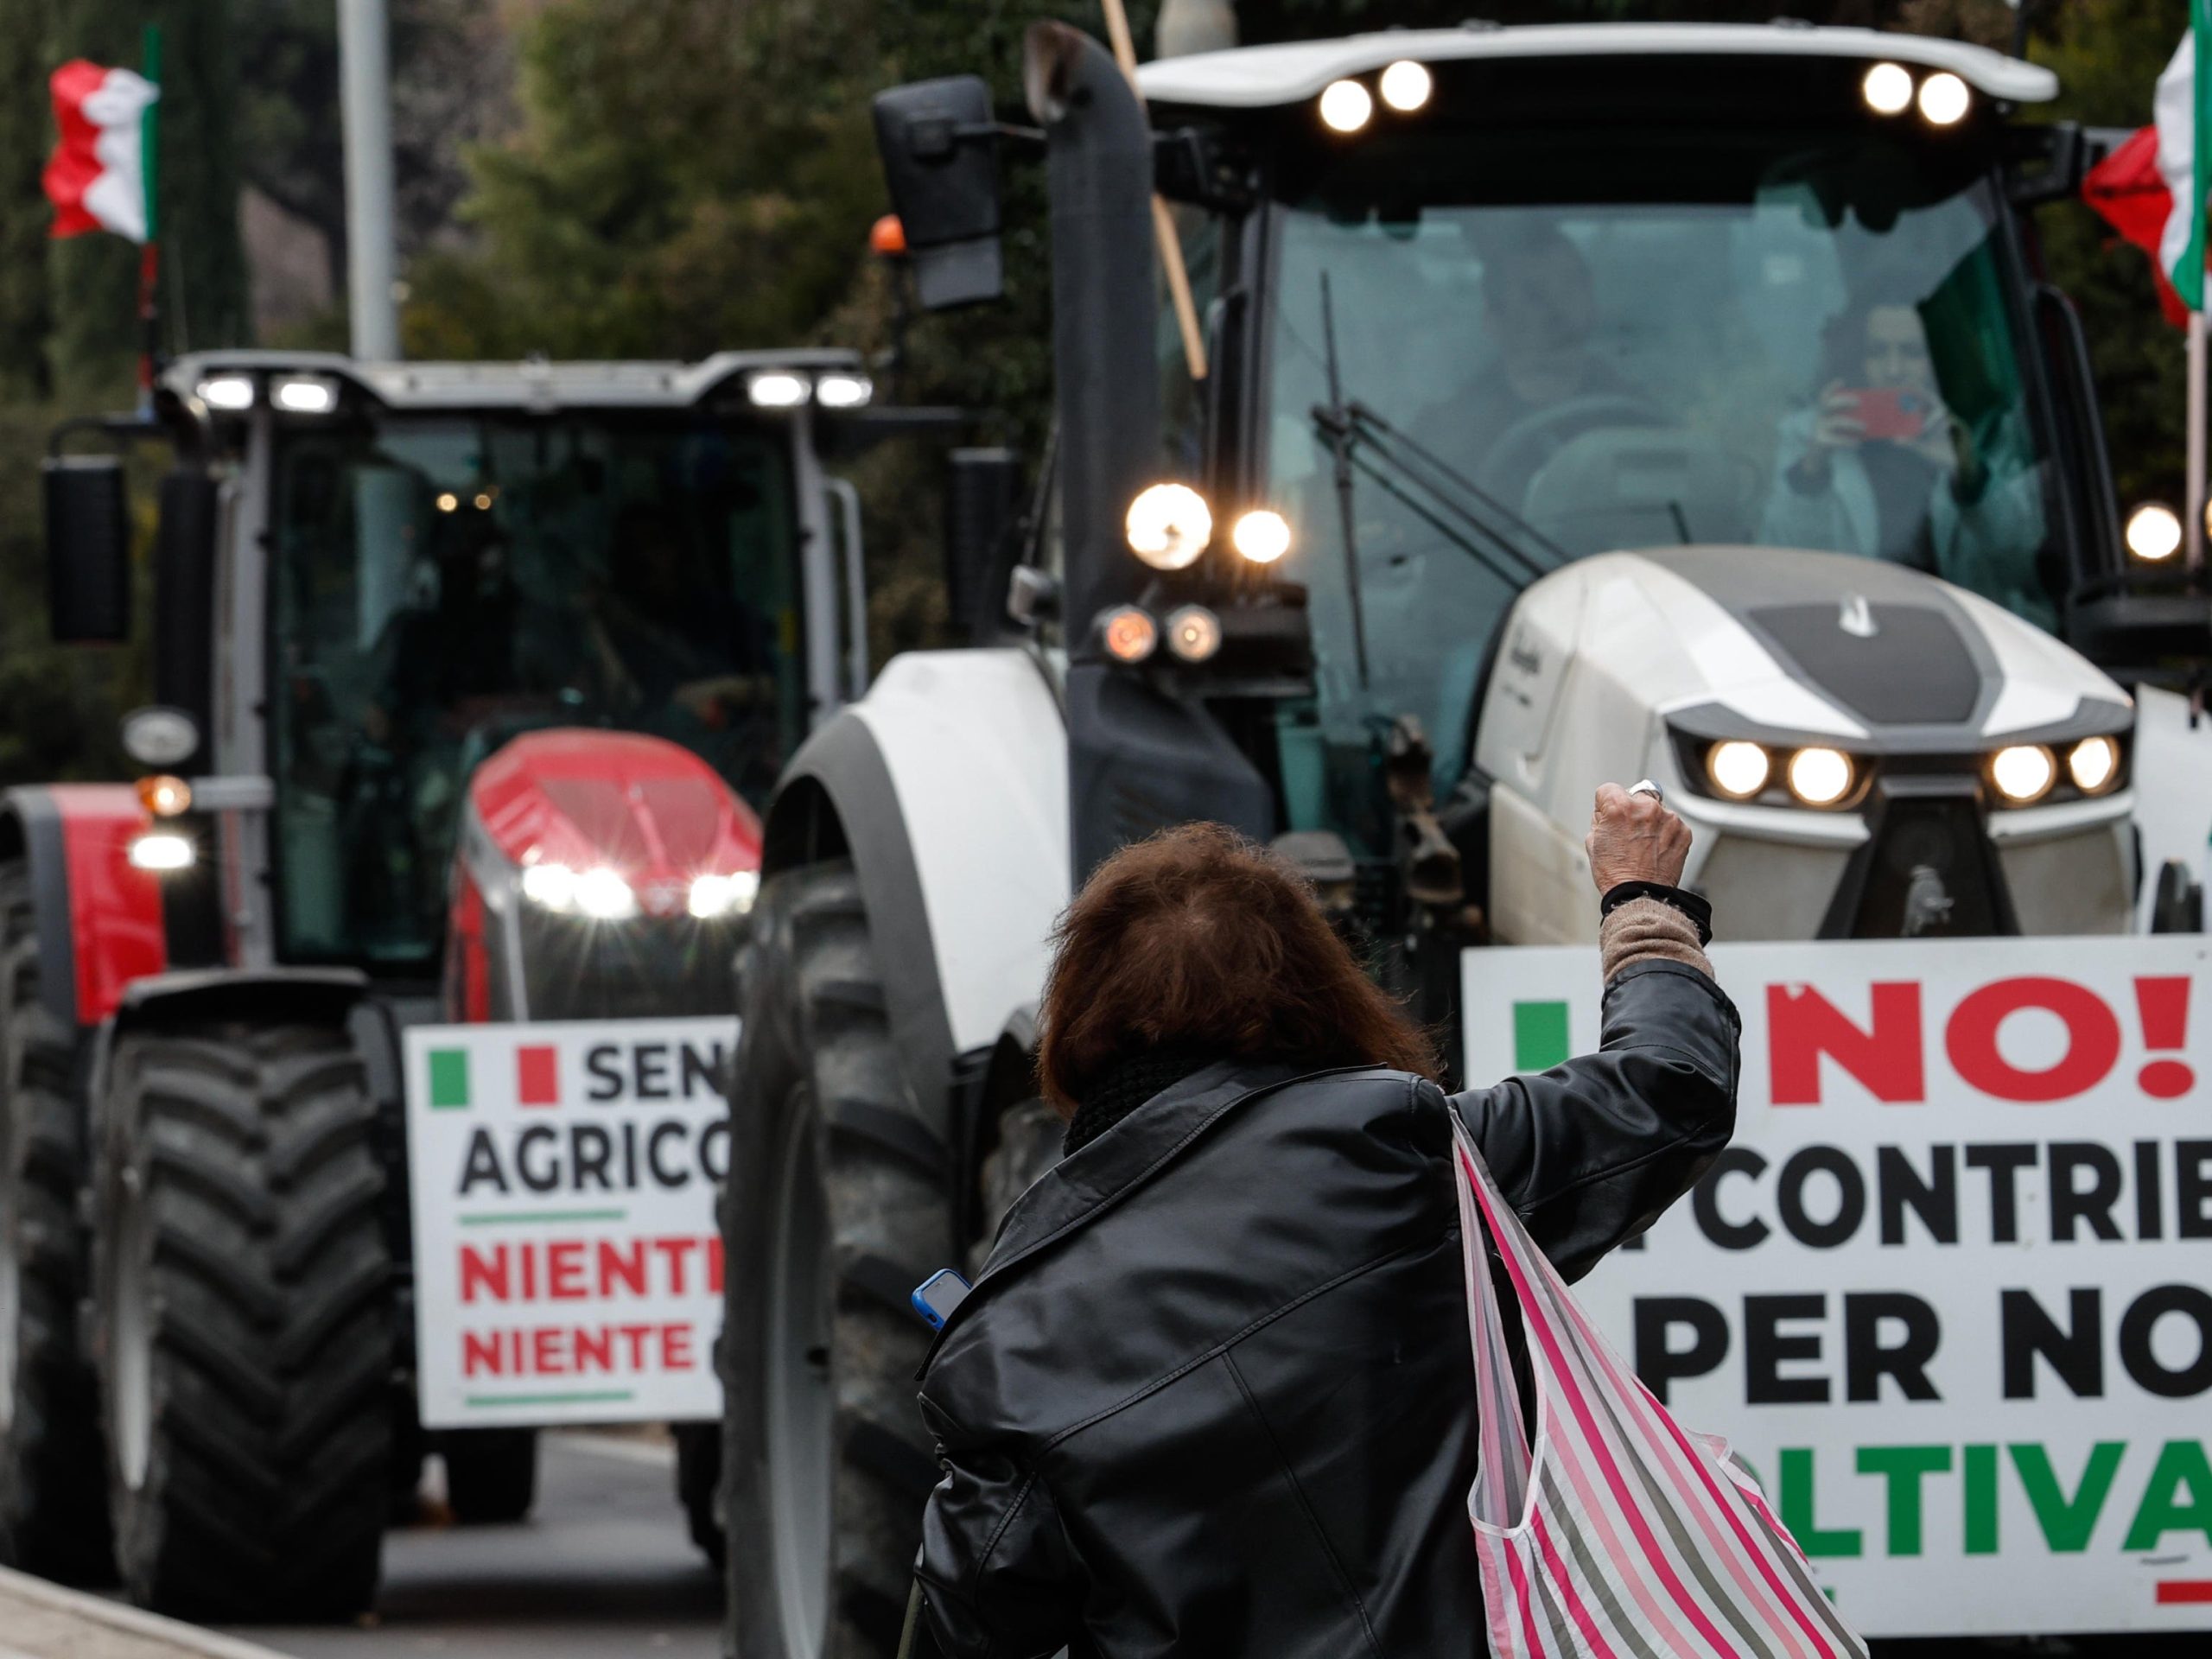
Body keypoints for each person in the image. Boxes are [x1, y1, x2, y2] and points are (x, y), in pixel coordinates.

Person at [912, 788, 1738, 1658]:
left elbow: (965, 1628)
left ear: (1077, 1031)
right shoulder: (1403, 1152)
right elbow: (1668, 1086)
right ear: (1318, 995)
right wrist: (1643, 904)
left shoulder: (1001, 1352)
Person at [1758, 294, 2050, 625]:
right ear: (1857, 361)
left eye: (1911, 353)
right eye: (1877, 352)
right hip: (1853, 641)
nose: (1894, 370)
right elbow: (1781, 572)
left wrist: (1972, 480)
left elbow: (2021, 566)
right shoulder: (1810, 436)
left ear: (1938, 356)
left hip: (1972, 638)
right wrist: (1812, 471)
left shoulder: (1985, 429)